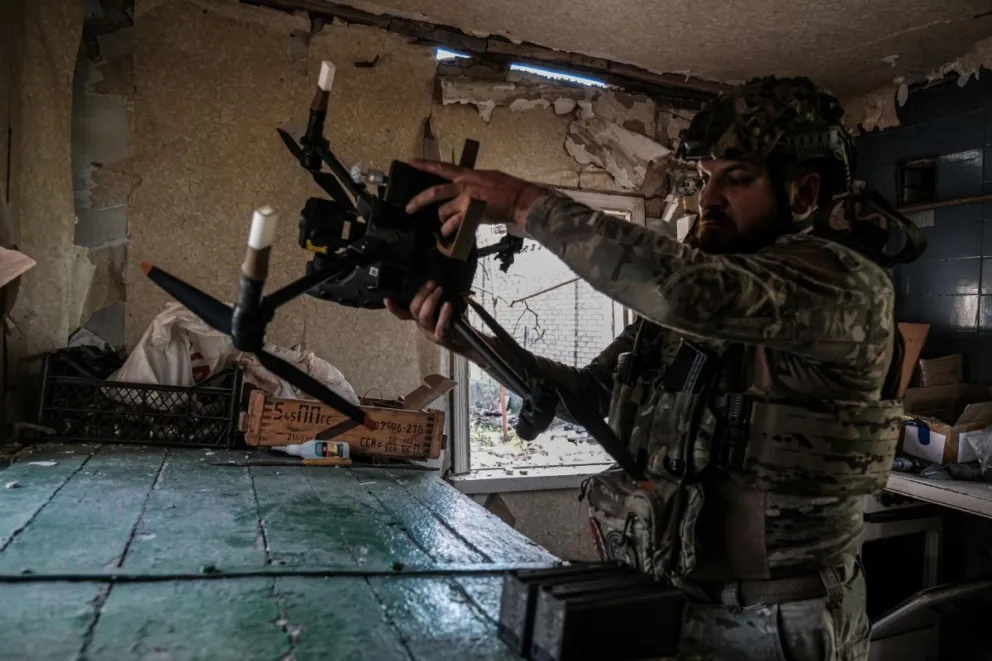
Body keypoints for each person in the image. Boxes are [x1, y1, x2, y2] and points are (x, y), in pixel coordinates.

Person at [385, 76, 924, 661]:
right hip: (674, 605)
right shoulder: (701, 305)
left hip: (778, 624)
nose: (707, 198)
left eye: (736, 179)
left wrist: (521, 204)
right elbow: (587, 395)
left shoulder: (843, 284)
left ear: (803, 193)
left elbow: (684, 286)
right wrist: (469, 340)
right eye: (704, 179)